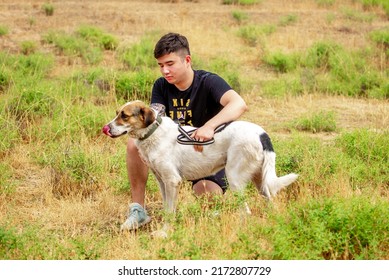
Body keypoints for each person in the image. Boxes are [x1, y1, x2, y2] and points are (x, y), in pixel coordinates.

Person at [121, 32, 247, 230]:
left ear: (187, 60)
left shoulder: (208, 81)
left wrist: (209, 126)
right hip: (175, 156)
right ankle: (138, 210)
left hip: (208, 156)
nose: (165, 71)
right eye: (161, 65)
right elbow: (154, 119)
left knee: (207, 198)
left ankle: (227, 208)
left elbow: (239, 104)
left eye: (170, 64)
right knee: (133, 144)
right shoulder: (161, 86)